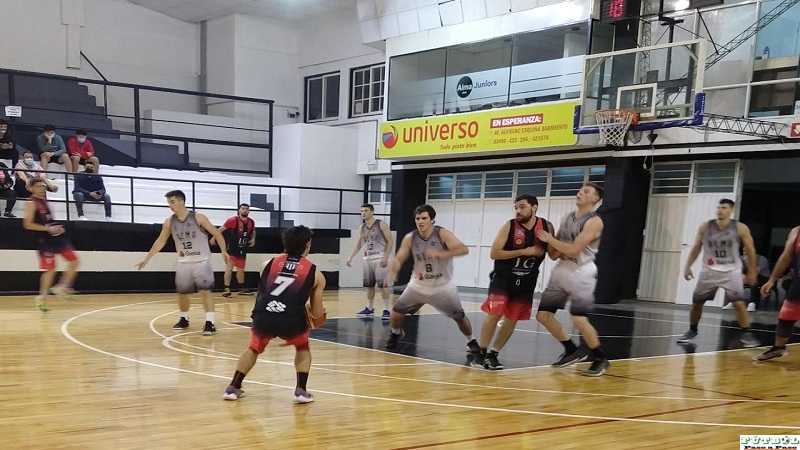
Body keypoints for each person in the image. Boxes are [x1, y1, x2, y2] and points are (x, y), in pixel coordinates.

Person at [223, 226, 325, 404]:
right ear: (308, 245)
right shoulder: (316, 273)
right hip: (292, 318)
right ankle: (301, 391)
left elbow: (264, 292)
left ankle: (233, 387)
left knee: (253, 348)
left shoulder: (268, 263)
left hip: (265, 313)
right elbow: (316, 314)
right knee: (302, 348)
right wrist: (316, 315)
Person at [385, 204, 481, 356]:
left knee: (459, 317)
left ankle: (471, 340)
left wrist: (441, 254)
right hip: (418, 285)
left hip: (442, 287)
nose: (420, 221)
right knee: (396, 312)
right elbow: (399, 258)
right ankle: (395, 334)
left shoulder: (442, 234)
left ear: (432, 220)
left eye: (424, 218)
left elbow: (463, 249)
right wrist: (393, 270)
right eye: (417, 218)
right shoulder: (410, 237)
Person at [535, 183, 609, 377]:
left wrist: (550, 240)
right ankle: (571, 350)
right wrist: (546, 242)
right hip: (562, 270)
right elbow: (554, 254)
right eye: (580, 189)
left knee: (578, 317)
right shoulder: (567, 217)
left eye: (586, 191)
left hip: (582, 271)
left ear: (595, 199)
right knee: (543, 315)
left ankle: (600, 357)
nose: (580, 192)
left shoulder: (595, 221)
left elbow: (574, 249)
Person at [475, 194, 553, 370]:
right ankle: (481, 352)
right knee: (494, 313)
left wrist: (557, 244)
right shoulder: (509, 226)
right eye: (516, 207)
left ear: (534, 207)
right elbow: (494, 253)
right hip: (503, 277)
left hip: (527, 280)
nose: (518, 210)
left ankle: (493, 354)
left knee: (512, 318)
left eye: (522, 206)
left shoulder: (546, 227)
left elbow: (553, 254)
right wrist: (524, 251)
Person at [135, 190, 229, 336]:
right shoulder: (169, 222)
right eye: (169, 203)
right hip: (184, 262)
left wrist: (224, 251)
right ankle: (184, 318)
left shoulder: (198, 217)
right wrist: (146, 258)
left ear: (181, 201)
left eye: (172, 202)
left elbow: (217, 233)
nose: (170, 206)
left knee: (205, 291)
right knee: (182, 293)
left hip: (201, 261)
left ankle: (210, 322)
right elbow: (160, 241)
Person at [676, 199, 759, 348]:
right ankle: (692, 330)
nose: (720, 210)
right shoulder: (705, 227)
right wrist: (688, 266)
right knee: (697, 303)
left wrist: (752, 271)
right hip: (709, 271)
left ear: (731, 210)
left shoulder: (740, 228)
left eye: (724, 207)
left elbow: (751, 250)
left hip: (731, 272)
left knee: (739, 303)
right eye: (719, 207)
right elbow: (696, 247)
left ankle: (746, 333)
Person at [22, 177, 80, 311]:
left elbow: (47, 220)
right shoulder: (31, 203)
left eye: (43, 186)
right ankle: (42, 298)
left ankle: (62, 287)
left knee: (74, 260)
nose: (42, 188)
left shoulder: (44, 200)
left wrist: (57, 227)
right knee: (51, 269)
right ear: (31, 189)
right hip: (43, 240)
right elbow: (27, 224)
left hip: (55, 237)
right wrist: (48, 229)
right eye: (38, 186)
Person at [755, 226, 800, 361]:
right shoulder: (796, 232)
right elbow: (785, 257)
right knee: (787, 314)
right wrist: (772, 280)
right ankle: (778, 348)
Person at [346, 203, 393, 320]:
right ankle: (370, 308)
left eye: (366, 211)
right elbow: (360, 243)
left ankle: (387, 309)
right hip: (368, 258)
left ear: (372, 212)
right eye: (361, 211)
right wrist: (351, 257)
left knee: (383, 285)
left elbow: (390, 241)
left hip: (380, 257)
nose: (363, 213)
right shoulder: (362, 227)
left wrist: (386, 257)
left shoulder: (381, 224)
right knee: (369, 285)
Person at [212, 203, 256, 297]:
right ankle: (226, 288)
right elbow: (220, 229)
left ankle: (241, 288)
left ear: (249, 211)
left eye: (246, 209)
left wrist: (253, 239)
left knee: (241, 270)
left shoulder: (251, 222)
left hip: (243, 249)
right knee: (229, 268)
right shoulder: (233, 220)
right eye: (243, 208)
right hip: (232, 248)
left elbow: (253, 230)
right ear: (239, 210)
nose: (245, 210)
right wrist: (213, 238)